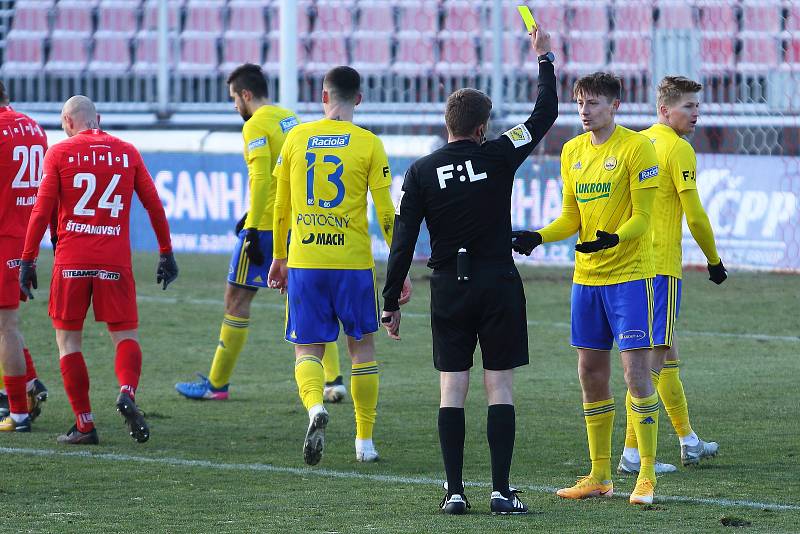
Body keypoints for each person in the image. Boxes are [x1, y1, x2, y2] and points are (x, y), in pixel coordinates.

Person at [382, 27, 557, 515]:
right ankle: (501, 490)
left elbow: (403, 239)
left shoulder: (420, 171)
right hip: (498, 282)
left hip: (449, 288)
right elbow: (544, 116)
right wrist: (545, 59)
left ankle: (455, 491)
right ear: (483, 127)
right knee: (498, 385)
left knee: (452, 388)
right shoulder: (499, 154)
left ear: (447, 125)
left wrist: (390, 301)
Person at [512, 72, 661, 505]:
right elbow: (570, 218)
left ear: (614, 106)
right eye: (579, 102)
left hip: (630, 277)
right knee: (590, 373)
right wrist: (539, 236)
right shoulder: (572, 150)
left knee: (635, 374)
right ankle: (599, 474)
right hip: (586, 281)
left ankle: (646, 475)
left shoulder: (638, 148)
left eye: (592, 103)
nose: (583, 110)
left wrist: (615, 237)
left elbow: (643, 218)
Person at [175, 64, 344, 403]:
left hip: (266, 226)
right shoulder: (290, 118)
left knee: (236, 300)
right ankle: (333, 380)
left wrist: (252, 227)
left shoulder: (254, 126)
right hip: (297, 224)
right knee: (306, 299)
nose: (235, 105)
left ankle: (216, 385)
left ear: (246, 95)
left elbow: (264, 178)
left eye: (234, 99)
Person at [268, 66, 410, 465]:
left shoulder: (296, 138)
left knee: (307, 349)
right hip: (352, 263)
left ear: (323, 96)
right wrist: (399, 270)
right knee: (362, 349)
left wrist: (280, 256)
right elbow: (387, 214)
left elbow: (281, 206)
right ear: (359, 100)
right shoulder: (368, 144)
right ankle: (365, 442)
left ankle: (315, 408)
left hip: (306, 261)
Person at [19, 95, 178, 444]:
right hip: (114, 260)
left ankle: (85, 424)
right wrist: (166, 252)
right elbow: (153, 204)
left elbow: (41, 210)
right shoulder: (126, 151)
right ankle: (127, 392)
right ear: (98, 118)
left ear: (67, 121)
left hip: (71, 260)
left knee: (68, 341)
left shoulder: (59, 153)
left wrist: (28, 260)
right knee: (125, 336)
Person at [618, 76, 725, 474]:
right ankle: (632, 454)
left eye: (698, 106)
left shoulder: (638, 143)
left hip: (634, 266)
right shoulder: (678, 149)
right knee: (649, 366)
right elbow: (695, 214)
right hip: (660, 268)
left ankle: (688, 440)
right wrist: (713, 260)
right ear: (665, 110)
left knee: (667, 354)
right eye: (688, 107)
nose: (696, 114)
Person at [0, 81, 50, 431]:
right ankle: (29, 383)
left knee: (6, 327)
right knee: (6, 325)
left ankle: (17, 412)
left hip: (3, 234)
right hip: (24, 235)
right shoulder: (34, 128)